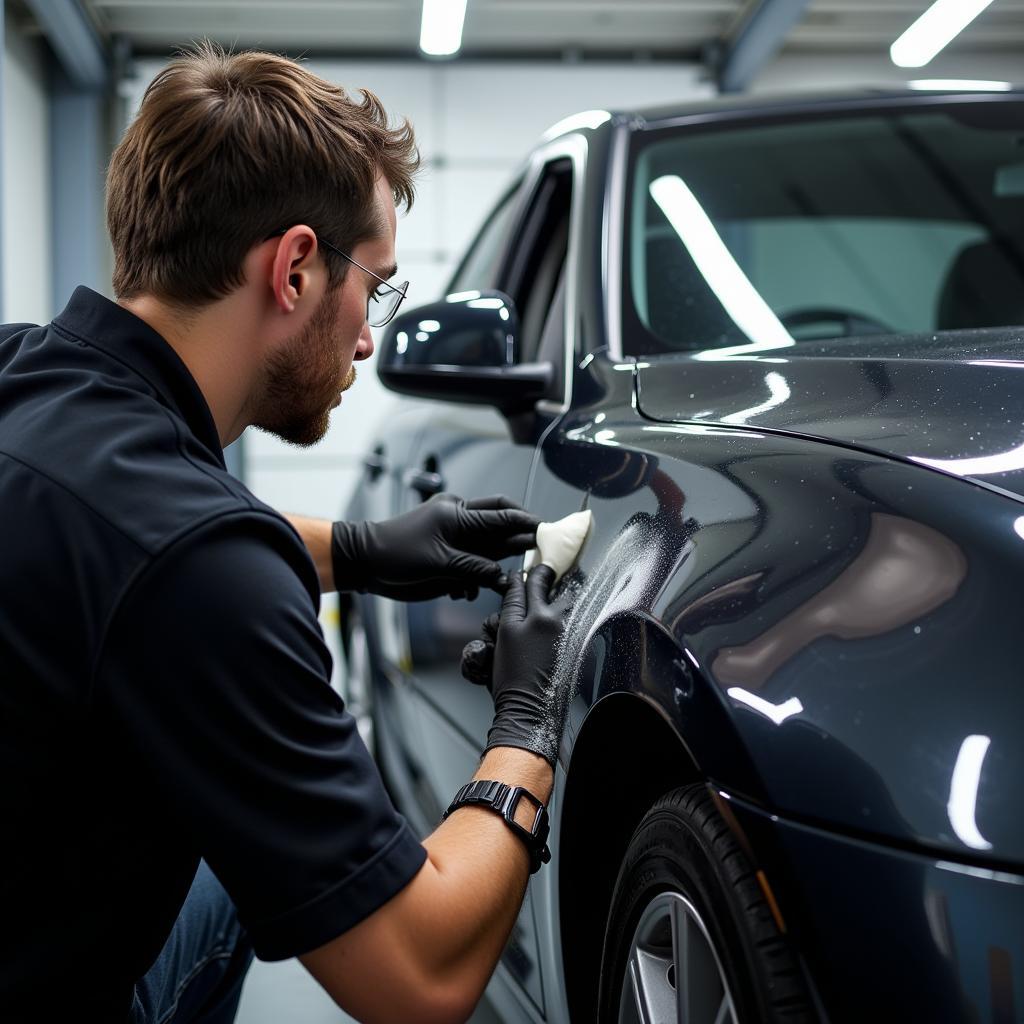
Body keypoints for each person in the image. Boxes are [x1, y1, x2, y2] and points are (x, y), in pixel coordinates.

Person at [0, 43, 574, 1023]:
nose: (365, 338)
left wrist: (354, 549)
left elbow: (121, 536)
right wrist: (525, 729)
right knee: (246, 875)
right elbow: (420, 977)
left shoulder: (26, 374)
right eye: (376, 289)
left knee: (227, 877)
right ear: (297, 268)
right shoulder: (199, 568)